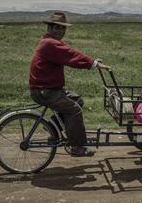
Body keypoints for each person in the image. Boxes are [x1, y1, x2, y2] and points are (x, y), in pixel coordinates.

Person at [29, 12, 110, 157]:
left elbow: (68, 55)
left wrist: (92, 62)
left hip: (48, 89)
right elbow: (71, 55)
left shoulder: (48, 41)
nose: (61, 31)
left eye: (63, 28)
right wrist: (93, 63)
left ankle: (53, 127)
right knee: (75, 110)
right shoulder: (50, 43)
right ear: (50, 27)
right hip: (46, 91)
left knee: (77, 100)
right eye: (58, 28)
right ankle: (77, 147)